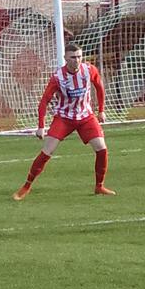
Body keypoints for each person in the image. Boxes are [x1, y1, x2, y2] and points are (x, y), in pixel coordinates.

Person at [13, 42, 115, 200]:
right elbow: (44, 101)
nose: (77, 60)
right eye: (73, 57)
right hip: (64, 117)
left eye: (79, 56)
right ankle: (26, 186)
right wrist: (41, 126)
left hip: (85, 116)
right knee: (47, 150)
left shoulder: (89, 70)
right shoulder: (58, 77)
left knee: (101, 148)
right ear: (65, 58)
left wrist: (101, 110)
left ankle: (99, 186)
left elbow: (99, 87)